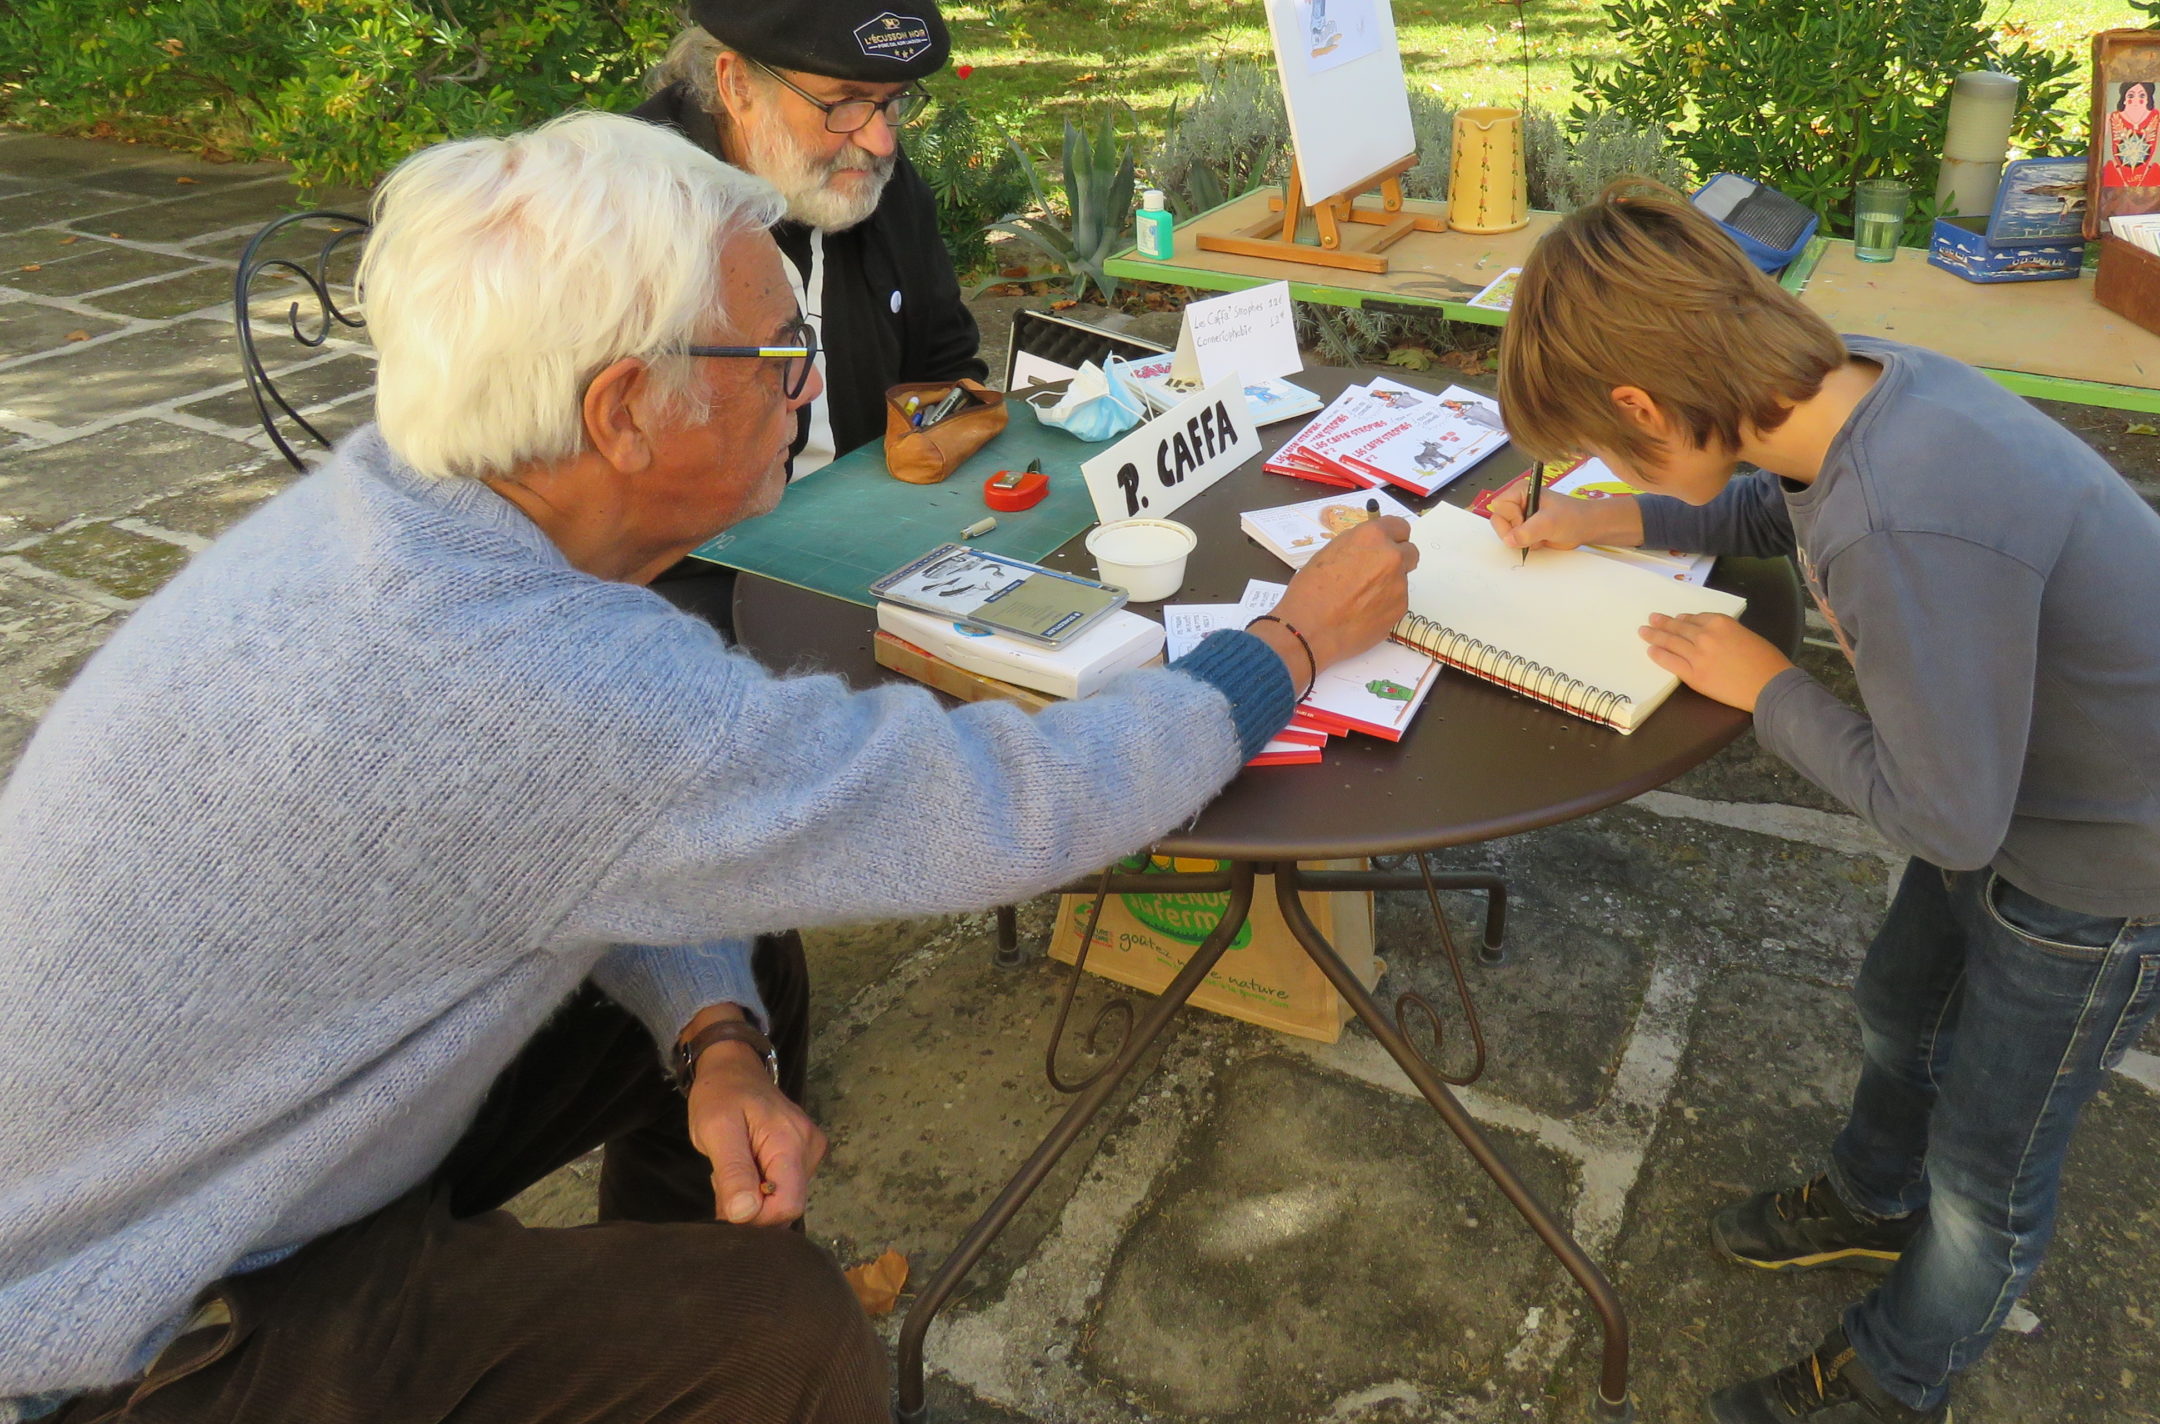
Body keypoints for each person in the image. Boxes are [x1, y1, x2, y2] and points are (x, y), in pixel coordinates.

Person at [0, 113, 1416, 1424]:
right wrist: (1286, 644)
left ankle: (631, 1298)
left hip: (194, 1158)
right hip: (123, 1337)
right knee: (777, 1336)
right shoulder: (545, 686)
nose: (807, 392)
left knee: (736, 970)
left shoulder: (398, 508)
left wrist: (714, 1043)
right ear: (624, 410)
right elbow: (1008, 806)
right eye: (774, 359)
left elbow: (593, 840)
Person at [1485, 191, 2160, 1424]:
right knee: (1898, 1006)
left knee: (1987, 1174)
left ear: (1642, 407)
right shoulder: (1852, 388)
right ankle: (1870, 1195)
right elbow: (1754, 500)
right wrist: (1604, 515)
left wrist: (1768, 688)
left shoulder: (1900, 519)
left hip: (2120, 875)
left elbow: (1945, 819)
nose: (1619, 469)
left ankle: (1896, 1377)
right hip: (2032, 791)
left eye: (1613, 454)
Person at [635, 0, 983, 463]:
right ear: (737, 84)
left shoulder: (879, 183)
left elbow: (943, 361)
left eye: (892, 101)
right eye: (843, 102)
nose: (880, 143)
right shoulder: (626, 215)